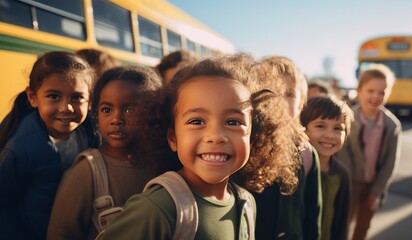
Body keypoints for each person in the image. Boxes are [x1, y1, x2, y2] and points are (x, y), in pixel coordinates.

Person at [100, 53, 302, 239]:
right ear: (172, 138)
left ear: (253, 138)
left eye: (233, 122)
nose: (215, 136)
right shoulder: (156, 209)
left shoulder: (246, 204)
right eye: (197, 121)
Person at [47, 66, 162, 240]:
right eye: (107, 110)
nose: (116, 119)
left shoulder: (164, 163)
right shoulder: (86, 172)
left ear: (153, 113)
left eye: (130, 110)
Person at [0, 51, 99, 240]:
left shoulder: (90, 134)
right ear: (33, 97)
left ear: (90, 101)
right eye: (54, 96)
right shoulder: (20, 149)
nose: (66, 107)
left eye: (77, 98)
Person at [253, 55, 322, 240]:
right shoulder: (246, 147)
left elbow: (312, 214)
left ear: (300, 104)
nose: (280, 100)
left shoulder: (307, 154)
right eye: (271, 91)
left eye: (289, 94)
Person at [337, 63, 401, 240]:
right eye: (371, 91)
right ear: (359, 90)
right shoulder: (348, 117)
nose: (376, 96)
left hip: (374, 184)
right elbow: (342, 152)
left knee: (363, 227)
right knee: (342, 223)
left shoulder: (392, 125)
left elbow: (390, 162)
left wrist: (377, 189)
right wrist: (348, 181)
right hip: (350, 182)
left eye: (382, 92)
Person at [300, 96, 353, 240]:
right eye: (320, 126)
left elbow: (341, 223)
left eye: (337, 128)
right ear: (303, 128)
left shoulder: (342, 174)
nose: (330, 135)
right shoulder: (294, 171)